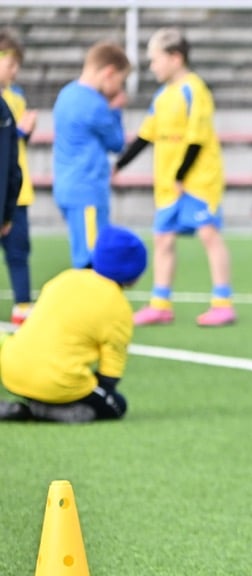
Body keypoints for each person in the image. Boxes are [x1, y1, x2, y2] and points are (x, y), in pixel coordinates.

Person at [116, 27, 235, 328]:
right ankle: (160, 303)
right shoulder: (162, 95)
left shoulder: (194, 90)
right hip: (169, 184)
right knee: (163, 239)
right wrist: (119, 165)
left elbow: (197, 137)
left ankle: (222, 302)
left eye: (155, 60)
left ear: (175, 57)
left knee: (208, 234)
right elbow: (146, 136)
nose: (152, 66)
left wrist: (182, 174)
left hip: (197, 180)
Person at [0, 225, 146, 423]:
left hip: (11, 369)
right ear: (134, 273)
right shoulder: (118, 307)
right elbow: (112, 366)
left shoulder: (65, 278)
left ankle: (30, 402)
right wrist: (103, 389)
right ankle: (44, 410)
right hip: (55, 381)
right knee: (117, 405)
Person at [51, 40, 130, 270]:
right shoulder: (95, 104)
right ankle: (91, 305)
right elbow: (117, 142)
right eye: (120, 81)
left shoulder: (66, 94)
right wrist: (115, 110)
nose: (118, 88)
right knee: (93, 259)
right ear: (109, 73)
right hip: (87, 191)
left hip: (67, 186)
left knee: (83, 251)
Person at [0, 31, 36, 325]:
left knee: (18, 250)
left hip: (15, 194)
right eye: (10, 64)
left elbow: (14, 147)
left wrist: (26, 132)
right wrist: (21, 131)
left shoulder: (17, 97)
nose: (14, 71)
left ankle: (23, 305)